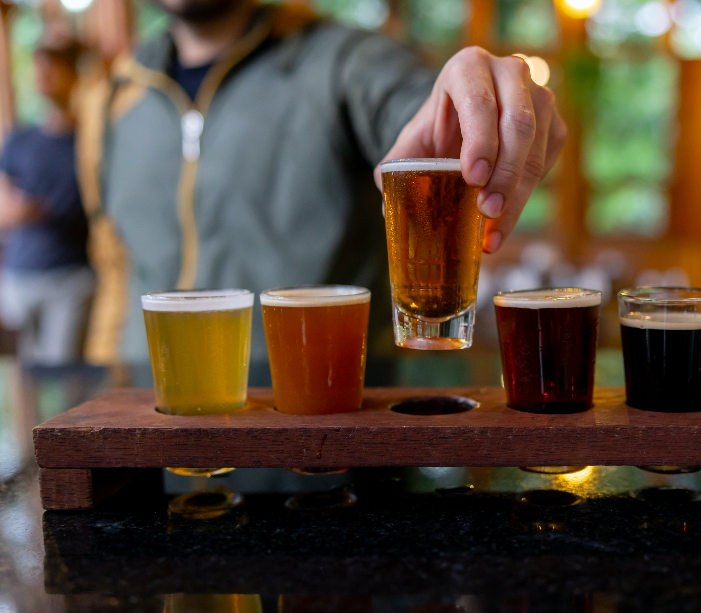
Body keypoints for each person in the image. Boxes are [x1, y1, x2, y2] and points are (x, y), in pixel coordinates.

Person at [79, 0, 564, 369]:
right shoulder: (113, 95)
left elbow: (418, 110)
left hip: (325, 413)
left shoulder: (348, 61)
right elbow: (113, 265)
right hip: (152, 409)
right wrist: (105, 383)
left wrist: (475, 96)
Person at [0, 35, 95, 365]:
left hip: (70, 276)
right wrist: (17, 211)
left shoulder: (90, 141)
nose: (42, 78)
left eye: (51, 70)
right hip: (18, 277)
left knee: (60, 369)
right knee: (26, 370)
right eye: (38, 71)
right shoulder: (19, 139)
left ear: (73, 75)